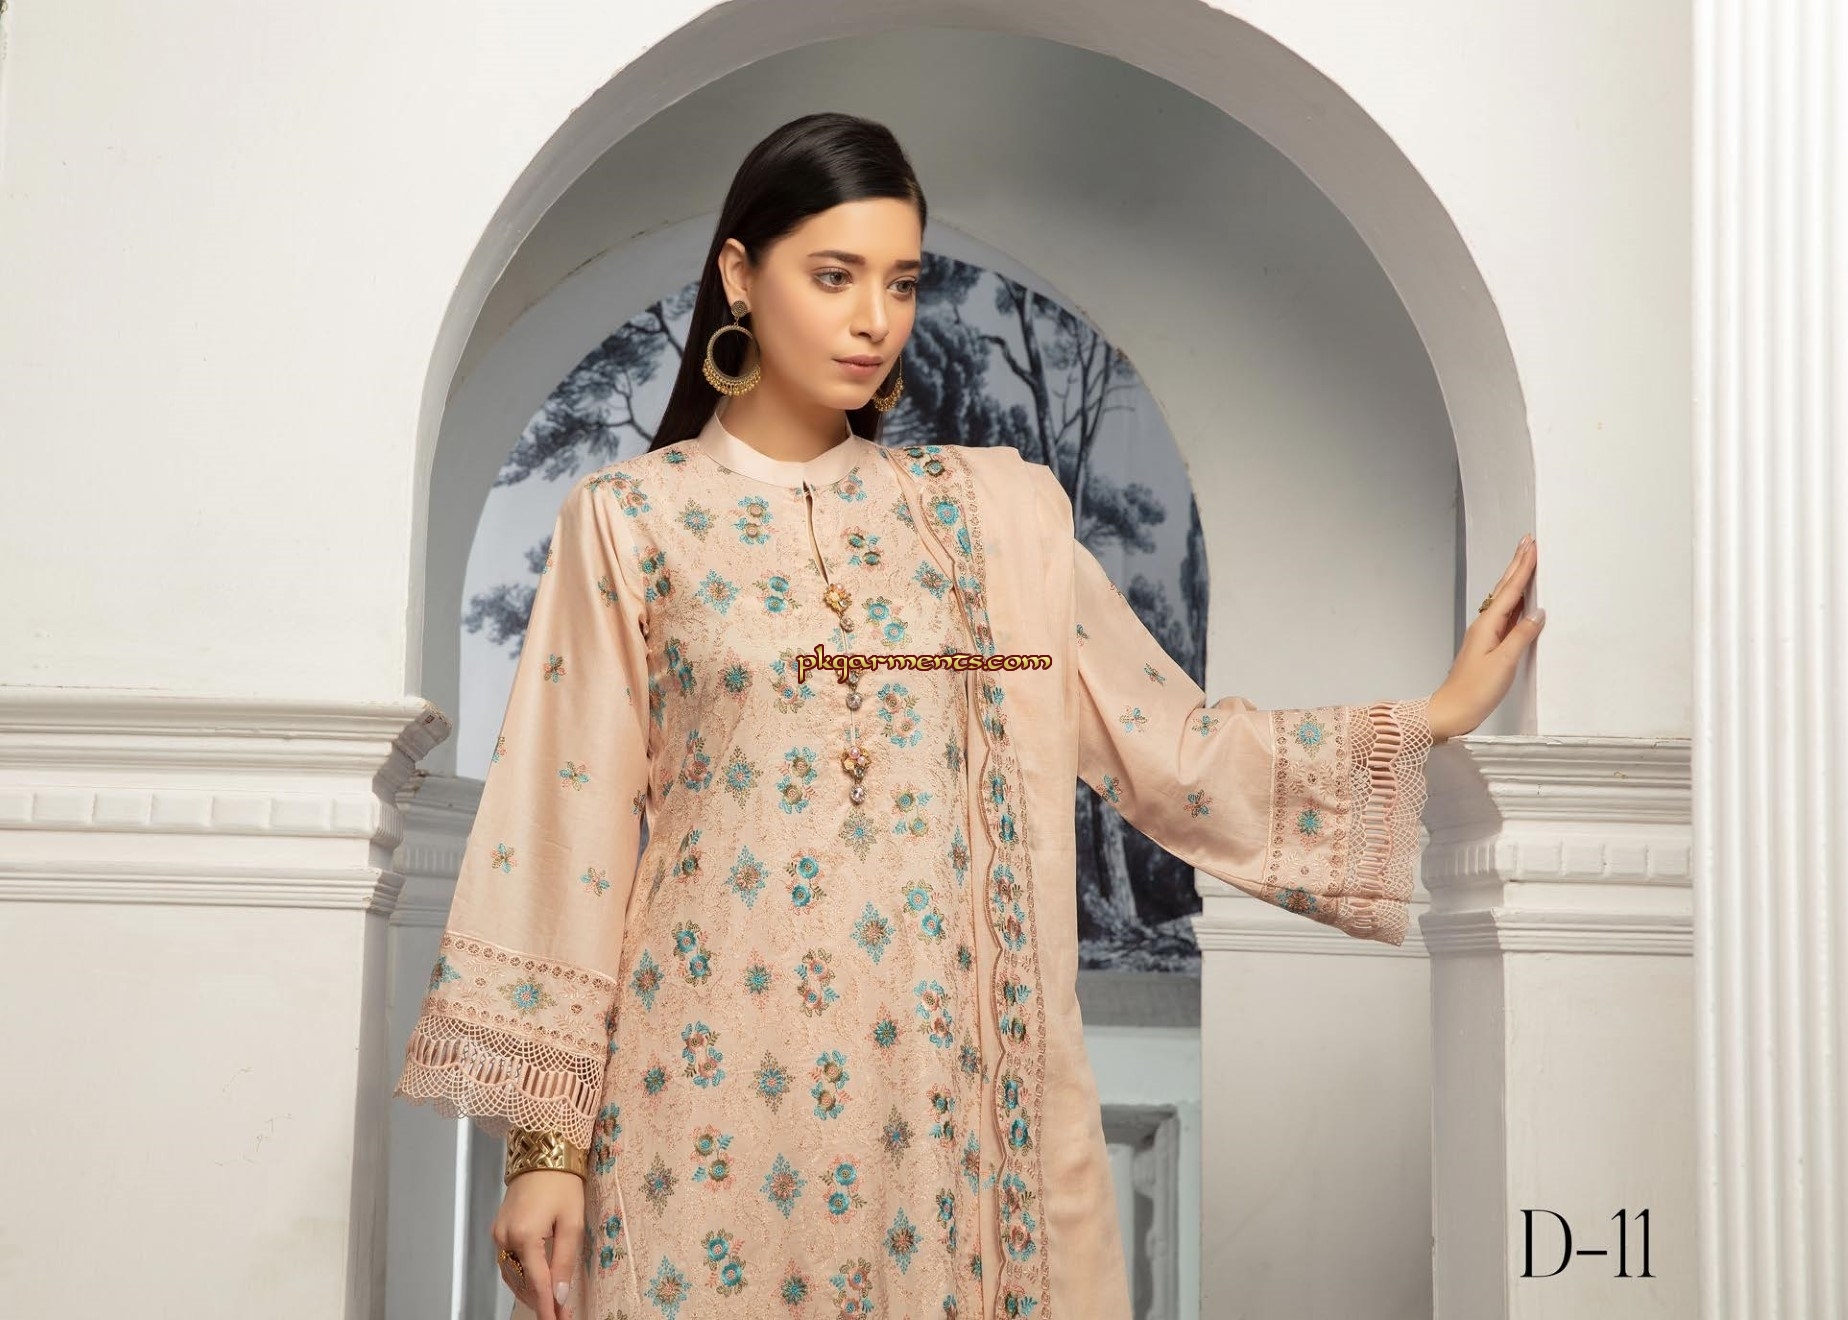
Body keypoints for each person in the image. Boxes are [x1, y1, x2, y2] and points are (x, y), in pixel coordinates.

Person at [391, 111, 1543, 1320]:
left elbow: (1170, 745)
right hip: (697, 1095)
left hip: (935, 1117)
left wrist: (1433, 716)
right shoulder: (630, 518)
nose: (873, 319)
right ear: (740, 273)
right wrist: (545, 1152)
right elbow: (562, 829)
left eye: (900, 282)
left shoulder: (988, 522)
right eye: (834, 276)